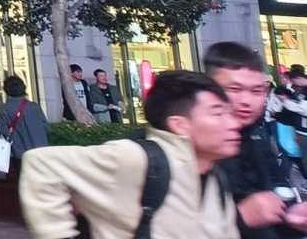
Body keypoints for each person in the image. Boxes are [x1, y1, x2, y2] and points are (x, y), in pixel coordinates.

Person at [20, 70, 264, 239]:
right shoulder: (138, 159)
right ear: (179, 124)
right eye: (217, 113)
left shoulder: (215, 177)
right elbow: (41, 164)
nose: (233, 123)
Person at [204, 41, 300, 239]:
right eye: (234, 89)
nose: (246, 101)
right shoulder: (188, 149)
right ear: (208, 90)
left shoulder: (256, 135)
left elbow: (275, 194)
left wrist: (292, 215)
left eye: (256, 91)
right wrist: (239, 218)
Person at [0, 74, 49, 169]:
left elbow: (4, 132)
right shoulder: (34, 106)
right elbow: (46, 128)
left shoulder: (4, 109)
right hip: (40, 152)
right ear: (23, 88)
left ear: (6, 90)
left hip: (19, 154)